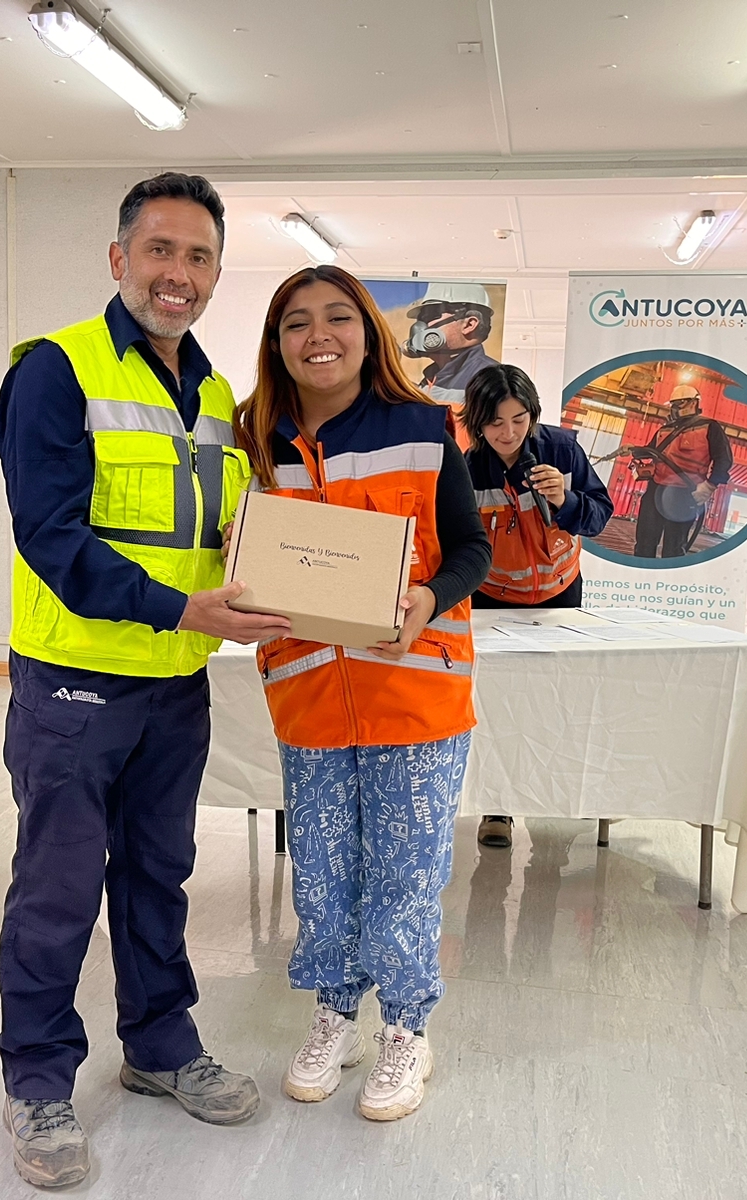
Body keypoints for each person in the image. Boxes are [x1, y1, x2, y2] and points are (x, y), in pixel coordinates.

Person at [0, 172, 284, 1189]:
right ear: (120, 258)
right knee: (58, 887)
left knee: (159, 874)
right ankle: (37, 1081)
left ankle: (159, 1045)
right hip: (75, 685)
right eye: (160, 250)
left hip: (174, 686)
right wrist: (183, 610)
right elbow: (50, 535)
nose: (178, 273)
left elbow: (213, 530)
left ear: (216, 274)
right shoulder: (56, 369)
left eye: (199, 256)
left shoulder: (213, 394)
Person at [232, 264, 490, 1124]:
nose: (319, 336)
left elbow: (470, 549)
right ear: (276, 343)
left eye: (337, 316)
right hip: (308, 697)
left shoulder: (420, 427)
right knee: (321, 872)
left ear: (368, 331)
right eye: (296, 322)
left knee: (407, 874)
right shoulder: (252, 440)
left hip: (415, 696)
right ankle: (335, 1014)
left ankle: (407, 1028)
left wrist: (429, 596)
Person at [462, 362, 611, 850]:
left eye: (519, 420)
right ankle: (498, 807)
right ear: (477, 423)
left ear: (533, 414)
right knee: (499, 706)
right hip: (492, 600)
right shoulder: (467, 468)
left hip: (560, 595)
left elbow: (600, 516)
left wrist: (567, 498)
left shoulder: (562, 450)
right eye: (495, 423)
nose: (508, 433)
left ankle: (553, 798)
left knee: (557, 699)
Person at [631, 385, 732, 559]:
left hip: (684, 494)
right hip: (655, 491)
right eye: (673, 404)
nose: (674, 408)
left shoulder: (709, 427)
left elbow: (724, 459)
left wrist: (710, 485)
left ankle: (670, 576)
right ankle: (642, 574)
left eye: (679, 403)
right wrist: (632, 450)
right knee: (644, 544)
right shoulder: (665, 429)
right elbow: (651, 450)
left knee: (673, 548)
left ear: (693, 403)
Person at [403, 282, 499, 408]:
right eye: (421, 319)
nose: (420, 326)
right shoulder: (433, 377)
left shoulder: (491, 381)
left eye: (431, 314)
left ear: (469, 324)